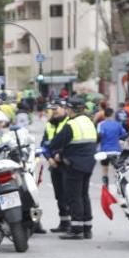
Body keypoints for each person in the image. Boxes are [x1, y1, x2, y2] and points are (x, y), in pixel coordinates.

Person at [47, 96, 97, 240]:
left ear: (71, 109)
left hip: (74, 164)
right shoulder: (89, 122)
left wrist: (57, 152)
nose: (67, 111)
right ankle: (87, 228)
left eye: (68, 109)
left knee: (74, 196)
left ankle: (76, 229)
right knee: (84, 195)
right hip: (89, 164)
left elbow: (55, 143)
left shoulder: (72, 124)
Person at [41, 100, 71, 233]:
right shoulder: (49, 125)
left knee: (68, 194)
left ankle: (73, 222)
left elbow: (71, 143)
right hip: (54, 164)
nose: (54, 111)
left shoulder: (69, 123)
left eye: (56, 109)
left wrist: (60, 155)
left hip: (66, 163)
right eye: (52, 109)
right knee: (59, 194)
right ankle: (64, 223)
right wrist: (49, 158)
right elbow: (44, 144)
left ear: (64, 109)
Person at [96, 107, 127, 185]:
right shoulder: (117, 124)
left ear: (104, 115)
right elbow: (124, 135)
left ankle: (106, 188)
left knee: (104, 170)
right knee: (118, 170)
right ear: (112, 114)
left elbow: (99, 136)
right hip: (116, 151)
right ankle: (120, 186)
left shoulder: (101, 124)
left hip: (105, 151)